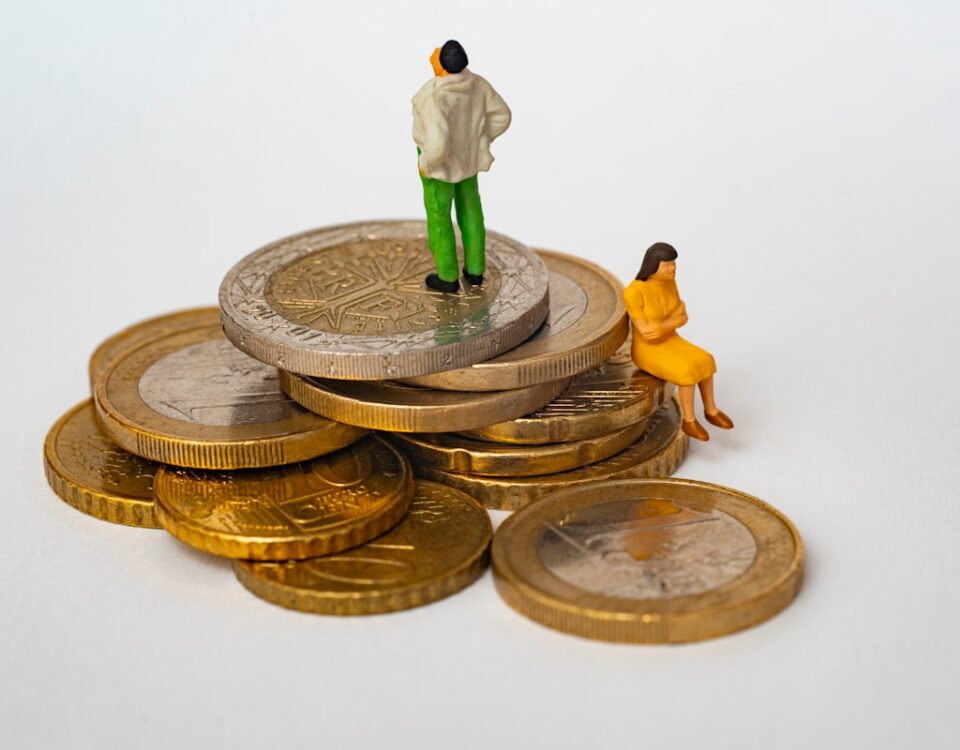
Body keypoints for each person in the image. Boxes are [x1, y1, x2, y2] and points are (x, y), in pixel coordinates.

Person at [412, 40, 512, 293]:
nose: (433, 56)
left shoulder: (434, 95)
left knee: (439, 218)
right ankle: (475, 270)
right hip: (469, 161)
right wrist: (481, 139)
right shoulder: (478, 85)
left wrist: (426, 163)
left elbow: (436, 144)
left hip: (439, 168)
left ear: (443, 65)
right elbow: (503, 115)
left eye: (436, 55)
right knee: (471, 211)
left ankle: (447, 275)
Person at [623, 242, 734, 441]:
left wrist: (663, 325)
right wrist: (670, 322)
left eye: (674, 263)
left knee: (706, 360)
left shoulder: (669, 283)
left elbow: (683, 317)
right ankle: (689, 420)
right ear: (653, 265)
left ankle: (711, 410)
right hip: (647, 350)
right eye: (667, 265)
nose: (672, 268)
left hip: (671, 340)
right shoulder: (633, 292)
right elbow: (648, 333)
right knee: (686, 370)